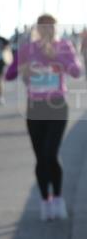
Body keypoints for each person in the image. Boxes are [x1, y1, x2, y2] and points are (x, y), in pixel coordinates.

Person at [5, 14, 83, 221]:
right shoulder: (28, 49)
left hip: (57, 107)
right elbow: (9, 74)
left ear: (55, 28)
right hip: (35, 107)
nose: (47, 29)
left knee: (51, 154)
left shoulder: (64, 46)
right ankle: (45, 201)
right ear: (37, 28)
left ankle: (58, 198)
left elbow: (76, 71)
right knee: (40, 157)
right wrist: (23, 67)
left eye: (51, 26)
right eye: (43, 26)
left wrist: (58, 58)